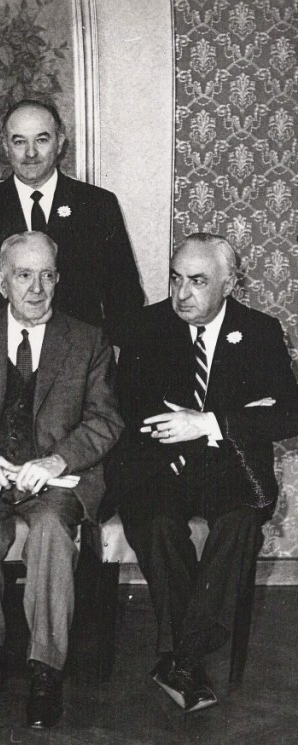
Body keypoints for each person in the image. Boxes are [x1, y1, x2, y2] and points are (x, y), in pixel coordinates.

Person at [0, 231, 122, 728]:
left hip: (56, 476)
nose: (36, 288)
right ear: (2, 282)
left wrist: (58, 461)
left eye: (46, 276)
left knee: (52, 532)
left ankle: (45, 669)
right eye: (23, 275)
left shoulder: (88, 340)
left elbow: (105, 420)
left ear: (58, 280)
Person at [108, 233, 298, 712]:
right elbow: (130, 407)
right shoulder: (146, 326)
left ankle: (181, 658)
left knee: (240, 523)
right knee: (156, 523)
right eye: (175, 279)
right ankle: (188, 659)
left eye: (197, 281)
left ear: (229, 284)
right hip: (160, 465)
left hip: (229, 470)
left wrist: (208, 422)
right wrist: (240, 414)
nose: (181, 294)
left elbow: (289, 413)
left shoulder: (259, 331)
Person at [0, 99, 144, 347]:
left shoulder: (97, 206)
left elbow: (125, 297)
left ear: (60, 142)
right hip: (0, 354)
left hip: (78, 354)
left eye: (41, 140)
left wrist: (111, 355)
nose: (31, 153)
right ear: (5, 146)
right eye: (19, 141)